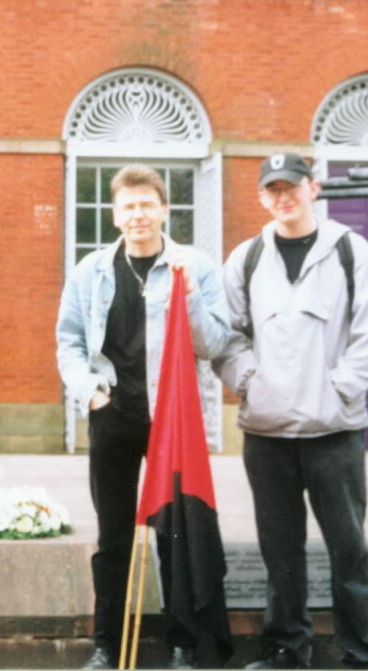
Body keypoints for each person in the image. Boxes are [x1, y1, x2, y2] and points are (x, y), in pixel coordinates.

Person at [213, 153, 368, 670]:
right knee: (280, 552)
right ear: (262, 198)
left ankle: (363, 656)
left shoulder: (350, 252)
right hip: (267, 433)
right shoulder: (245, 258)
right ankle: (286, 651)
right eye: (273, 190)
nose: (283, 197)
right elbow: (227, 337)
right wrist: (250, 382)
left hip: (333, 432)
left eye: (292, 186)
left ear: (313, 188)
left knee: (348, 551)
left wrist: (339, 391)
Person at [56, 164, 230, 670]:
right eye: (128, 206)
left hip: (170, 420)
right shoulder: (90, 272)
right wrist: (90, 394)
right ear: (115, 215)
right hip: (113, 414)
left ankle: (182, 644)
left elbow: (214, 344)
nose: (138, 215)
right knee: (112, 537)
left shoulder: (193, 266)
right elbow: (67, 341)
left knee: (176, 536)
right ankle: (106, 646)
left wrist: (192, 297)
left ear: (164, 210)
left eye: (147, 204)